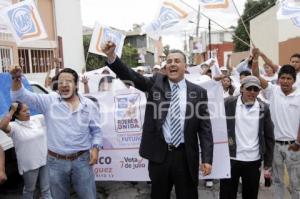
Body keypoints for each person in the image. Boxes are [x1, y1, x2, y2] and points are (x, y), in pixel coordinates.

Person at [102, 41, 213, 199]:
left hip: (186, 157)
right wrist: (112, 56)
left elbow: (205, 129)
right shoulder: (156, 84)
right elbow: (131, 76)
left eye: (176, 61)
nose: (172, 64)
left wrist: (207, 159)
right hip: (160, 156)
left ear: (185, 66)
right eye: (169, 61)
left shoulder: (199, 92)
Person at [10, 67, 102, 199]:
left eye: (68, 81)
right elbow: (19, 96)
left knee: (88, 196)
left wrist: (96, 148)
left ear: (76, 85)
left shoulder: (89, 105)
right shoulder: (49, 101)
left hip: (82, 160)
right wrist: (16, 78)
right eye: (60, 81)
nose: (64, 84)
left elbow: (96, 131)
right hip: (56, 163)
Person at [252, 48, 300, 199]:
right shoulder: (272, 91)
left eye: (289, 78)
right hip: (275, 146)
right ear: (278, 79)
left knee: (295, 184)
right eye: (283, 78)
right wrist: (255, 58)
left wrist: (298, 142)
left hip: (294, 147)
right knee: (277, 181)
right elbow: (256, 76)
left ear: (294, 80)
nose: (285, 81)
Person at [219, 76, 275, 199]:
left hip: (253, 160)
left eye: (256, 89)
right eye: (249, 88)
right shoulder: (228, 103)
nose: (252, 92)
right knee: (226, 194)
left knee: (250, 195)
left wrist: (268, 163)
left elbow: (269, 137)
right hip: (231, 158)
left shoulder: (263, 108)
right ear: (242, 88)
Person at [0, 102, 51, 198]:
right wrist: (11, 111)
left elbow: (51, 113)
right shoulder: (14, 126)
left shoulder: (37, 119)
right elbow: (2, 126)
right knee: (29, 190)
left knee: (46, 189)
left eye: (28, 109)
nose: (28, 112)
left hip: (44, 160)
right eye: (24, 111)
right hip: (29, 165)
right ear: (16, 114)